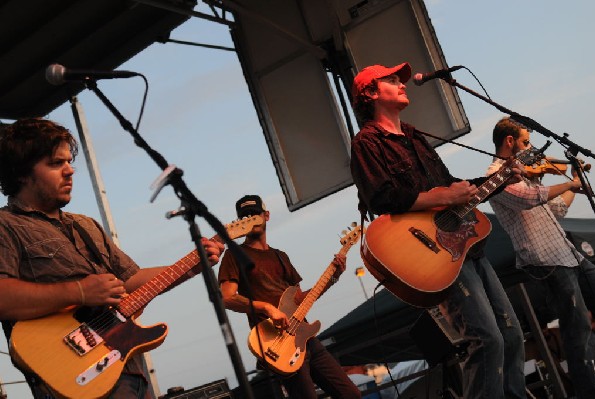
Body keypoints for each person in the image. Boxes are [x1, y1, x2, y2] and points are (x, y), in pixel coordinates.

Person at [0, 118, 224, 399]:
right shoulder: (6, 225)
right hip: (71, 377)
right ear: (22, 172)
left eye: (70, 162)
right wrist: (80, 291)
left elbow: (130, 280)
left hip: (125, 369)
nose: (70, 171)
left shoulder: (86, 224)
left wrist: (192, 265)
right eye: (56, 164)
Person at [350, 63, 526, 398]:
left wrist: (499, 180)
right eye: (391, 80)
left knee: (512, 335)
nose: (402, 84)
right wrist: (443, 195)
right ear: (371, 92)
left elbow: (451, 188)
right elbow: (381, 198)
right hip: (434, 252)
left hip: (464, 244)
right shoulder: (367, 143)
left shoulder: (415, 135)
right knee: (487, 340)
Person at [487, 116, 595, 398]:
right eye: (526, 142)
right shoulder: (495, 176)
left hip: (568, 253)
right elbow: (530, 199)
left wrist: (574, 181)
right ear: (509, 141)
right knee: (577, 327)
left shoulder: (523, 172)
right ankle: (590, 391)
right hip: (546, 260)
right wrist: (568, 185)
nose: (531, 147)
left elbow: (556, 210)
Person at [218, 194, 361, 399]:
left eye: (254, 214)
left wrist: (333, 277)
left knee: (351, 394)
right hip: (277, 343)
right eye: (244, 216)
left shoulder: (280, 256)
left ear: (266, 215)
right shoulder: (234, 255)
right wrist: (267, 308)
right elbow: (227, 298)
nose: (250, 219)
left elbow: (299, 299)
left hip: (305, 336)